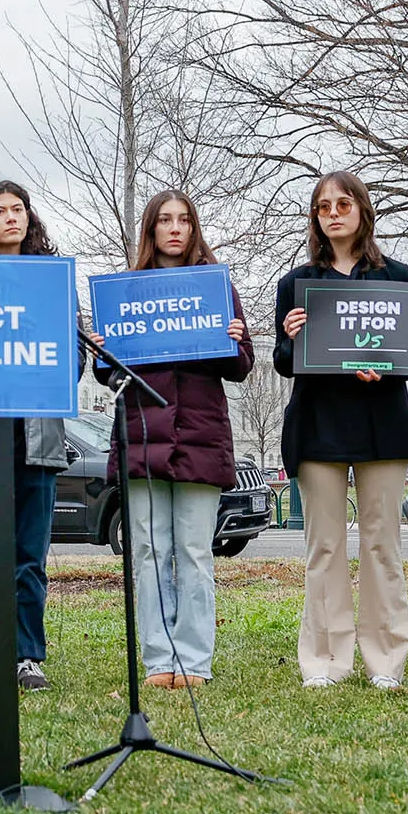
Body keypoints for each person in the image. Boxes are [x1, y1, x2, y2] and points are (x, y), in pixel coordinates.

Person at [89, 190, 253, 689]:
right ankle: (160, 661)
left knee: (197, 552)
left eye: (184, 219)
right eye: (165, 220)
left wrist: (234, 336)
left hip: (200, 437)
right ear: (151, 230)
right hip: (142, 436)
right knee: (148, 551)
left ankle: (194, 662)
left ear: (194, 227)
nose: (176, 228)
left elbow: (242, 366)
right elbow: (107, 375)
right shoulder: (127, 291)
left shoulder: (216, 286)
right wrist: (101, 350)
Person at [273, 171, 408, 691]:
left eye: (343, 203)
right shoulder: (296, 283)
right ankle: (326, 661)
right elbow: (283, 362)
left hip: (382, 426)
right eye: (323, 206)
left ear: (362, 210)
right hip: (318, 427)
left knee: (383, 545)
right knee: (324, 547)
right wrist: (291, 339)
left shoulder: (396, 276)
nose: (333, 213)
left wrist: (388, 368)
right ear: (315, 217)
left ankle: (385, 662)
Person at [0, 179, 72, 692]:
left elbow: (70, 361)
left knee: (29, 554)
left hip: (38, 434)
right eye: (0, 210)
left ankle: (27, 654)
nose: (11, 217)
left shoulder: (52, 279)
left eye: (19, 209)